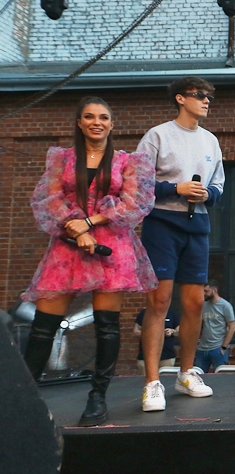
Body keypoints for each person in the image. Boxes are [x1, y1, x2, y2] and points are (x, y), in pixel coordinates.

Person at [22, 96, 157, 426]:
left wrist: (89, 223)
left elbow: (134, 203)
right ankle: (24, 402)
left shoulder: (128, 162)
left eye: (103, 117)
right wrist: (74, 227)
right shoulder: (62, 159)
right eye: (89, 116)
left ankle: (97, 399)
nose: (97, 122)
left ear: (112, 124)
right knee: (43, 326)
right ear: (79, 123)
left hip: (111, 245)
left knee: (106, 326)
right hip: (67, 246)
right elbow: (48, 198)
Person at [136, 77, 225, 411]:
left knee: (195, 303)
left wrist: (207, 194)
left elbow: (219, 186)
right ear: (180, 99)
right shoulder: (157, 135)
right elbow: (138, 182)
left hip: (197, 225)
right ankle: (152, 382)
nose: (206, 101)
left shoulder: (211, 140)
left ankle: (186, 373)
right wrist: (176, 189)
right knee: (159, 302)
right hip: (161, 225)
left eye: (209, 96)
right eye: (199, 95)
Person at [194, 280, 235, 373]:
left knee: (221, 377)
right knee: (198, 376)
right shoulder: (203, 305)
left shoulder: (225, 306)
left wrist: (224, 347)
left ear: (214, 290)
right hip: (202, 348)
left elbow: (232, 327)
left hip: (217, 348)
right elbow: (198, 324)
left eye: (206, 291)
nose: (204, 294)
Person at [134, 308, 179, 375]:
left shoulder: (171, 313)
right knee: (145, 380)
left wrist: (172, 331)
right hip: (145, 357)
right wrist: (150, 334)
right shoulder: (144, 313)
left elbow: (179, 331)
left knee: (166, 380)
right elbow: (135, 331)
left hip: (166, 356)